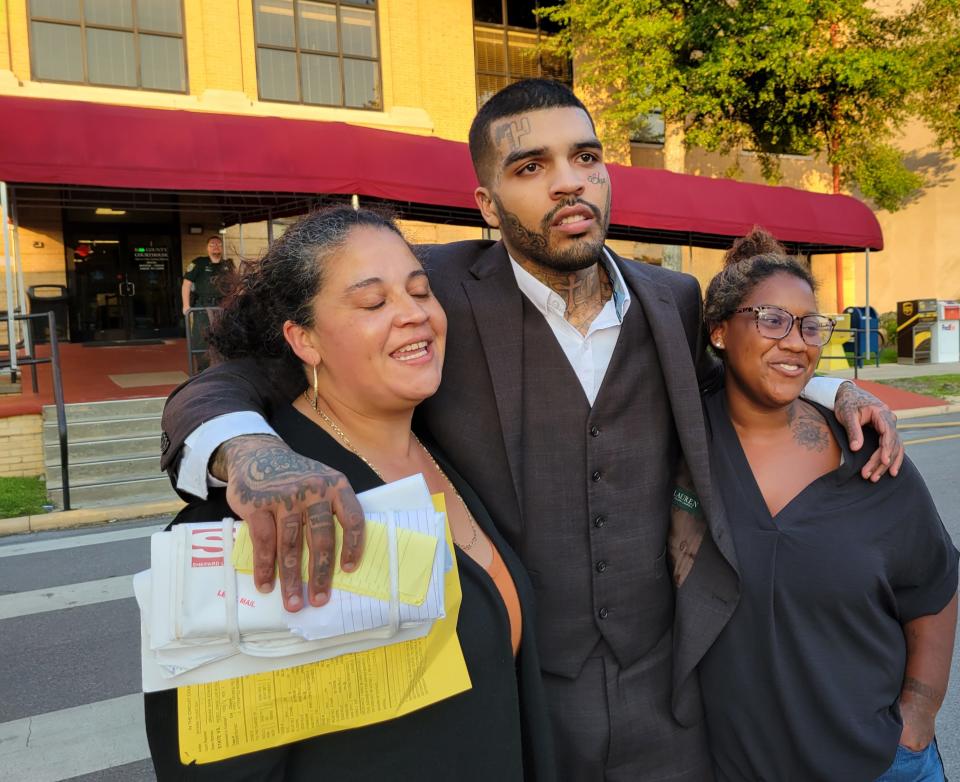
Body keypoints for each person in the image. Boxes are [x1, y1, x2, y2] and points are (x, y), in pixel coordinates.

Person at [159, 79, 904, 780]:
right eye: (530, 165)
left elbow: (726, 383)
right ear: (487, 201)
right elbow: (246, 377)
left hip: (669, 703)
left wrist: (832, 387)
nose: (568, 181)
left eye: (586, 157)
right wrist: (247, 449)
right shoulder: (430, 293)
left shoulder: (671, 299)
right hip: (523, 705)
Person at [146, 207, 555, 781]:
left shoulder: (445, 447)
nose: (413, 315)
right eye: (373, 302)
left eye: (420, 292)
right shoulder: (263, 516)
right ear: (303, 338)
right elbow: (215, 766)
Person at [691, 229, 958, 781]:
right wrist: (836, 385)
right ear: (718, 331)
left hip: (882, 764)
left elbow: (934, 587)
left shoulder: (869, 452)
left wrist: (917, 720)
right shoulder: (685, 445)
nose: (796, 341)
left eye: (811, 325)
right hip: (742, 767)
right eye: (771, 319)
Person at [181, 235, 233, 372]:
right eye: (212, 244)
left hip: (222, 307)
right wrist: (186, 306)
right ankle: (203, 371)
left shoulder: (228, 265)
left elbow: (236, 286)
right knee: (201, 339)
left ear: (222, 247)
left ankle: (223, 368)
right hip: (202, 308)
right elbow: (186, 285)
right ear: (207, 248)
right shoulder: (199, 263)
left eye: (218, 244)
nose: (216, 246)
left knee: (224, 337)